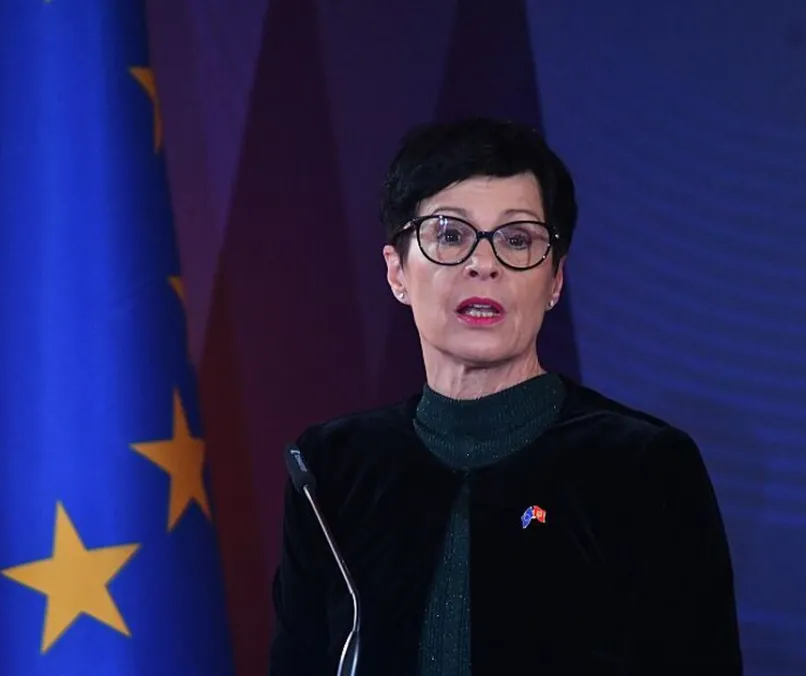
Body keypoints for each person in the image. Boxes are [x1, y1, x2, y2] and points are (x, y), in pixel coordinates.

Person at [268, 118, 742, 675]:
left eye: (517, 240)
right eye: (450, 235)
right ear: (397, 271)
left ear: (555, 280)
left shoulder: (642, 466)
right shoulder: (331, 470)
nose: (483, 263)